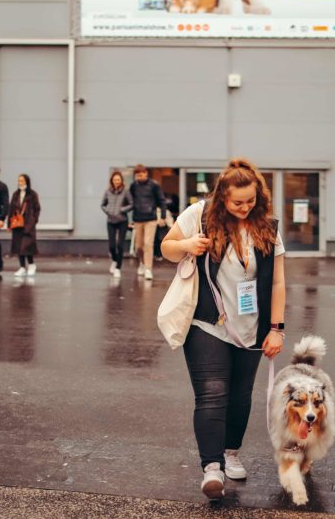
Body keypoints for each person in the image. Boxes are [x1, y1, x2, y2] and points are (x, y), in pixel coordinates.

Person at [160, 158, 286, 500]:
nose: (245, 208)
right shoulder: (198, 215)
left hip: (251, 327)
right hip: (207, 323)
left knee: (240, 396)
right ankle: (211, 468)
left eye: (251, 202)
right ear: (222, 199)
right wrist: (187, 246)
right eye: (237, 203)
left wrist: (277, 329)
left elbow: (277, 283)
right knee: (213, 393)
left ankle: (231, 453)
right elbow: (166, 248)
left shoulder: (268, 228)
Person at [130, 164, 167, 281]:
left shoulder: (154, 185)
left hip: (151, 218)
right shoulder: (133, 186)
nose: (139, 177)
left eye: (141, 174)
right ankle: (142, 262)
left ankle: (148, 269)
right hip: (137, 219)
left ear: (146, 173)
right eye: (137, 175)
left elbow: (162, 201)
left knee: (148, 244)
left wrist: (163, 217)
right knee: (139, 246)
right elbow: (130, 201)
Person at [101, 171, 133, 277]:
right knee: (112, 245)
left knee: (120, 245)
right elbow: (102, 204)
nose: (116, 181)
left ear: (121, 181)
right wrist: (108, 211)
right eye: (115, 180)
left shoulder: (126, 191)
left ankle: (118, 268)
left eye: (118, 179)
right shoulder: (107, 191)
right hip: (110, 221)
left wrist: (122, 209)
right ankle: (114, 260)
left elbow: (131, 204)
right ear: (112, 181)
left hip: (122, 221)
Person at [8, 174, 41, 278]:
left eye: (22, 180)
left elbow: (37, 208)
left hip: (28, 224)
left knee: (27, 245)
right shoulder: (15, 194)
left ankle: (31, 265)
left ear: (27, 181)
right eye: (19, 180)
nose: (20, 182)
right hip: (17, 223)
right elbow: (11, 209)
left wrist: (34, 220)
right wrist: (9, 223)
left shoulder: (32, 194)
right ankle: (22, 267)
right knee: (18, 245)